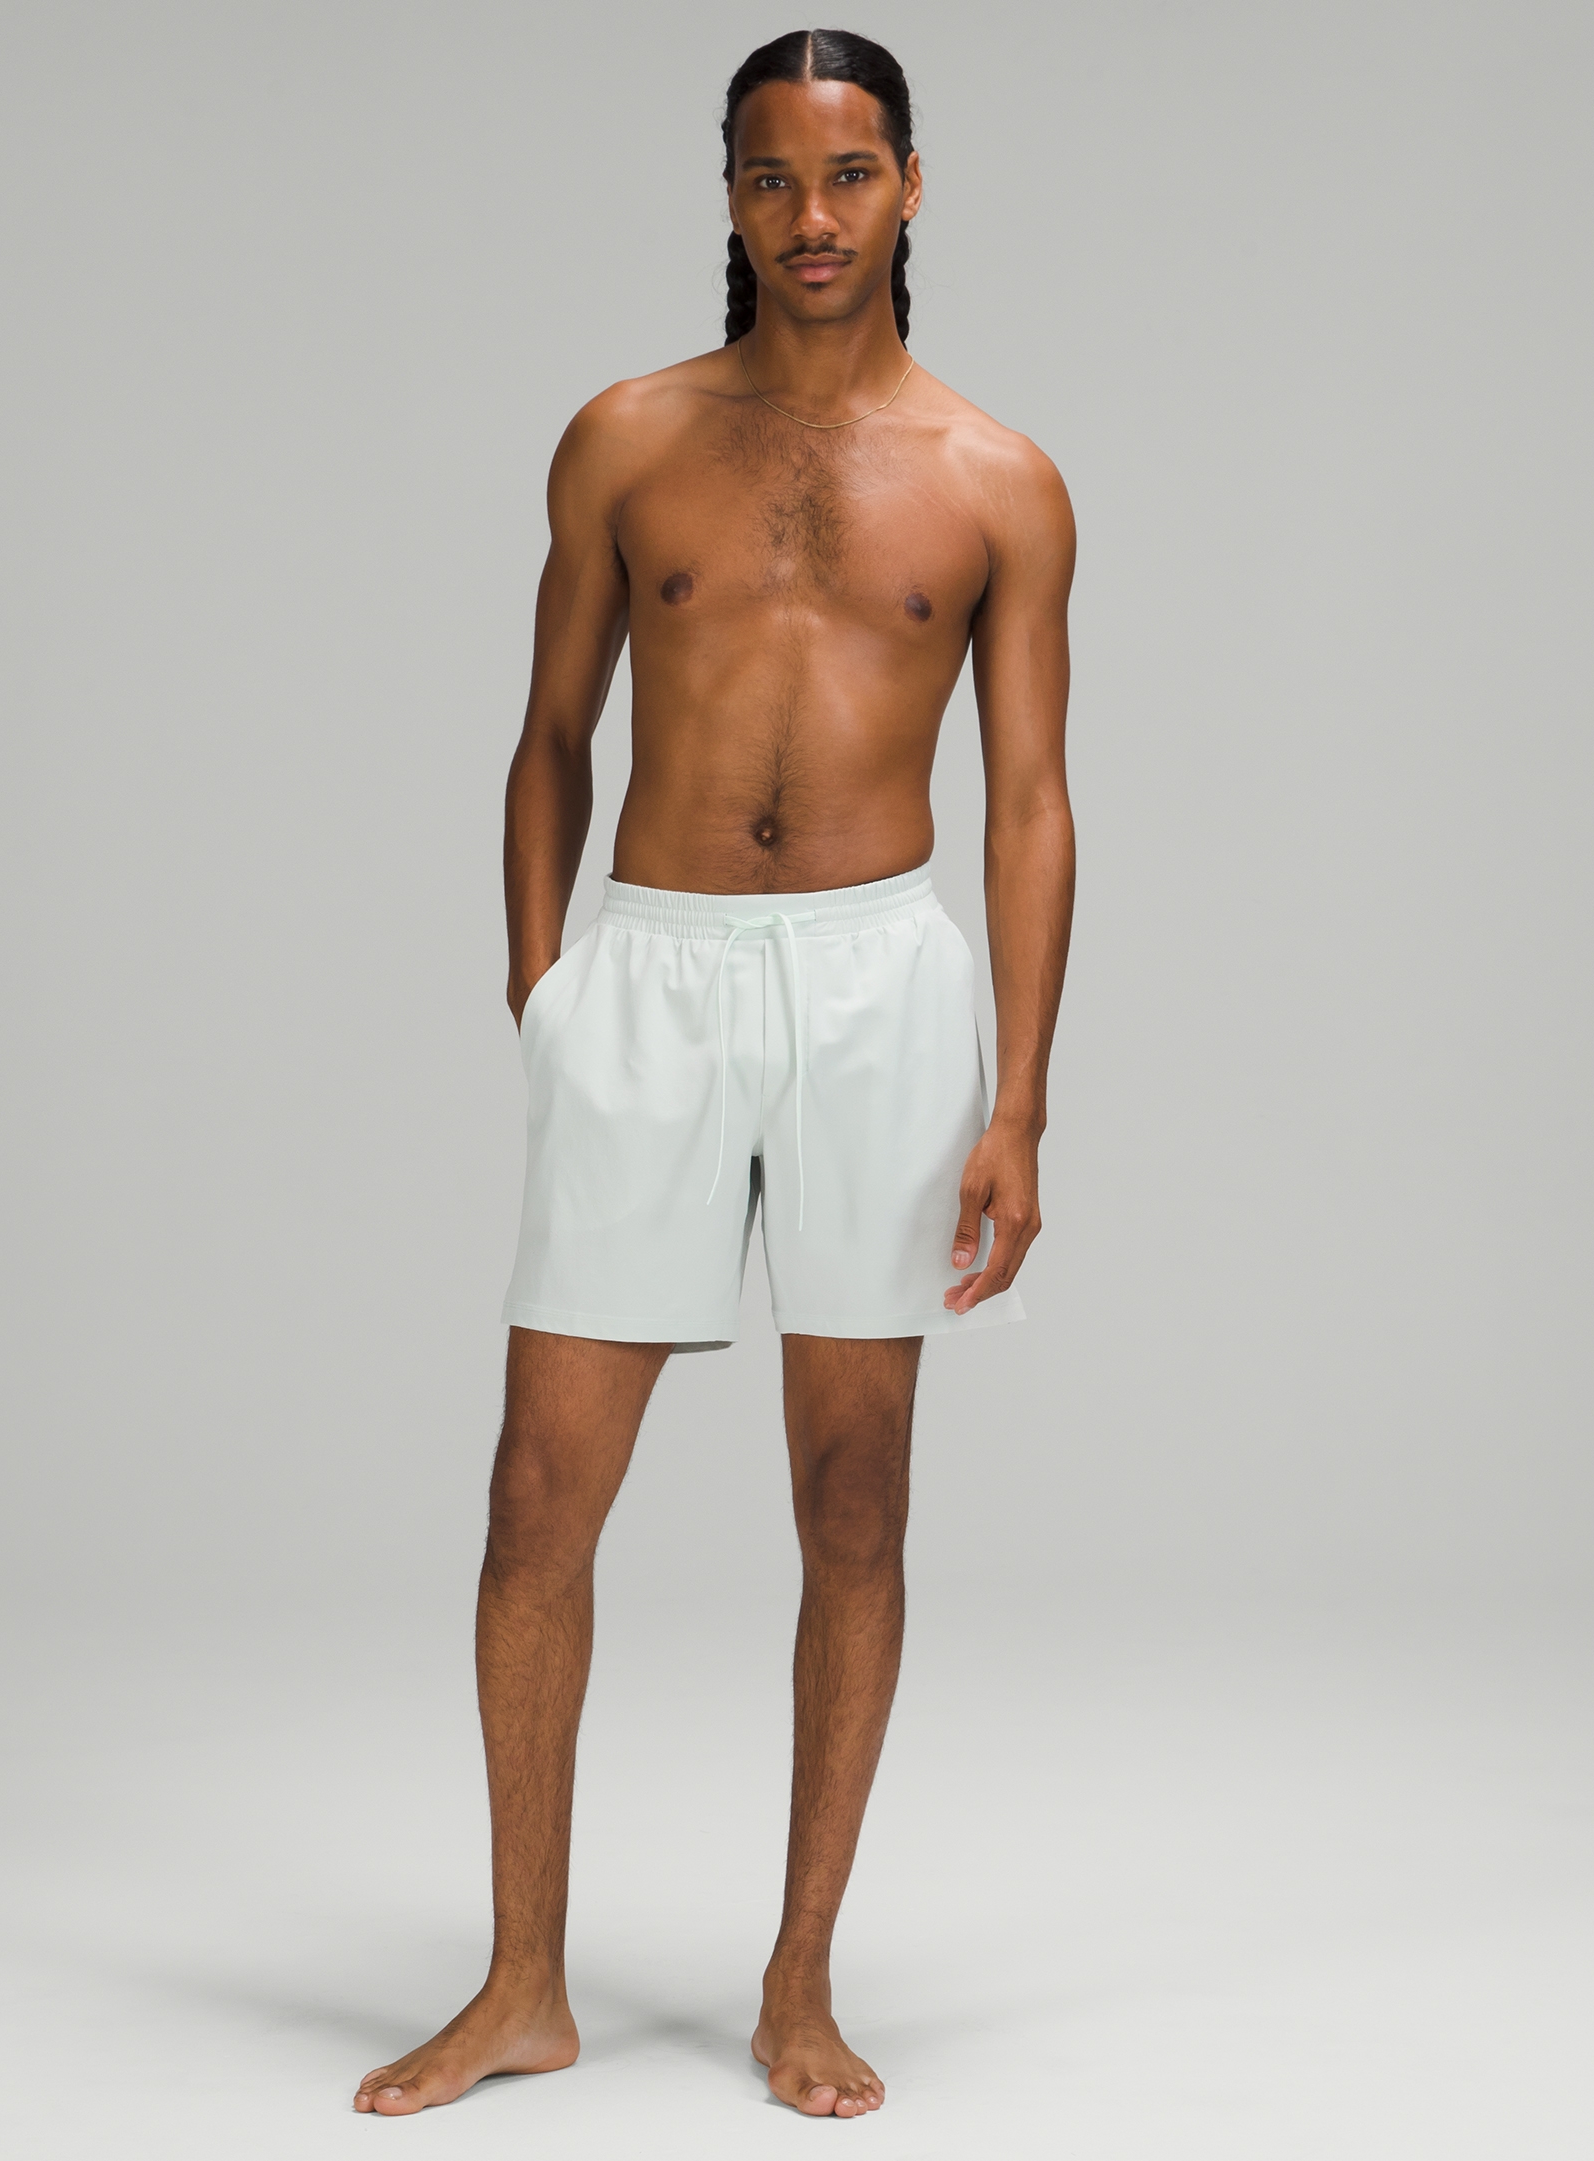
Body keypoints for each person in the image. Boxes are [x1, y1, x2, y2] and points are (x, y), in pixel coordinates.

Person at [355, 26, 1074, 2122]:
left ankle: (799, 1979)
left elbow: (1032, 802)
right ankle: (522, 1981)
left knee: (853, 1494)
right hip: (654, 971)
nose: (811, 216)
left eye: (848, 175)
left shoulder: (999, 478)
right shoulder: (625, 439)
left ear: (911, 186)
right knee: (534, 1496)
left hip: (880, 985)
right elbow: (548, 735)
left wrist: (1022, 1099)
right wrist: (544, 989)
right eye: (772, 178)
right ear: (732, 197)